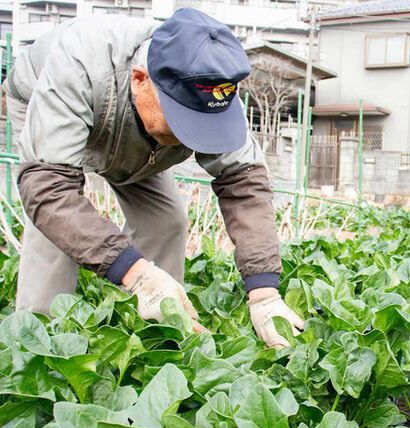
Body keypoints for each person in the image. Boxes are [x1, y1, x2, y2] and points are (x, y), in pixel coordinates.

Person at [3, 8, 304, 347]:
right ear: (140, 79)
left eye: (202, 124)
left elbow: (244, 184)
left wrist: (264, 292)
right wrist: (135, 272)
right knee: (55, 229)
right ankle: (37, 345)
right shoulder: (79, 63)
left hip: (137, 130)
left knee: (167, 221)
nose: (190, 136)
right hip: (48, 95)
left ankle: (159, 328)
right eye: (182, 120)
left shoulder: (210, 85)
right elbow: (48, 190)